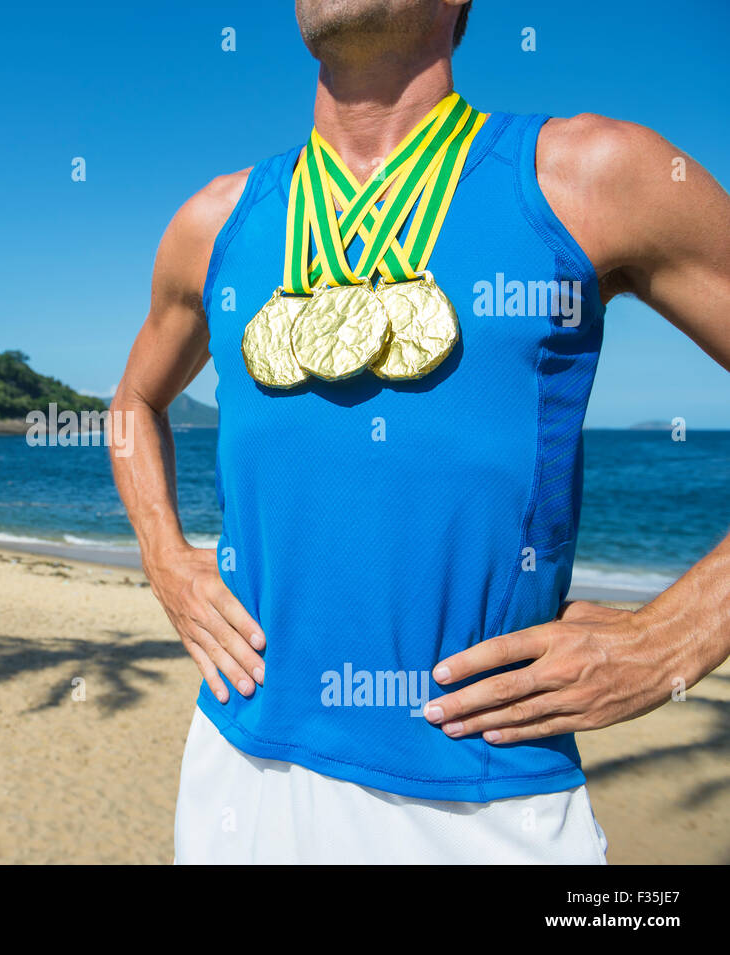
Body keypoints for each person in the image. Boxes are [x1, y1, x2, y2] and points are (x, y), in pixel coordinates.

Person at [110, 0, 730, 864]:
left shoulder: (592, 174)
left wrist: (677, 634)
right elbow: (132, 403)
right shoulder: (214, 222)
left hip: (481, 802)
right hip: (235, 768)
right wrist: (165, 559)